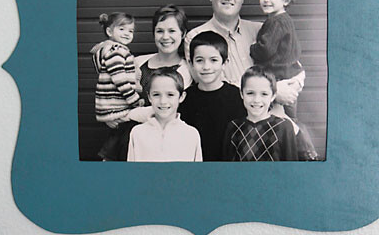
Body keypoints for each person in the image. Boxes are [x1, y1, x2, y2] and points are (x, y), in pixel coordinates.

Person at [183, 0, 303, 107]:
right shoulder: (196, 37)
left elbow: (292, 64)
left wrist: (294, 85)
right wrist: (273, 90)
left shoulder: (261, 30)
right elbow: (211, 86)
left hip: (266, 117)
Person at [179, 31, 246, 161]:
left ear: (225, 63)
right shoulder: (184, 99)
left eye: (213, 60)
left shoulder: (238, 97)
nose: (206, 67)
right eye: (199, 60)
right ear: (191, 63)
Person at [90, 12, 143, 160]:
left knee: (120, 132)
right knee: (125, 130)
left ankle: (111, 156)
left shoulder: (106, 51)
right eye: (122, 29)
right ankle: (109, 157)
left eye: (130, 31)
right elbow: (120, 80)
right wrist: (134, 100)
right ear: (109, 31)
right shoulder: (116, 52)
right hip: (118, 105)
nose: (127, 33)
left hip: (110, 104)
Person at [250, 0, 303, 120]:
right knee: (289, 118)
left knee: (280, 120)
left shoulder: (276, 22)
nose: (266, 0)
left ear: (285, 0)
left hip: (279, 78)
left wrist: (253, 48)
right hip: (288, 75)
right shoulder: (286, 21)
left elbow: (266, 49)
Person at [222, 67, 297, 161]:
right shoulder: (233, 127)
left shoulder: (283, 127)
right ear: (241, 94)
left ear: (273, 96)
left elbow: (291, 168)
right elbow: (227, 168)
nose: (256, 100)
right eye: (250, 93)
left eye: (264, 94)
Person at [127, 68, 202, 162]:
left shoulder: (191, 134)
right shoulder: (137, 133)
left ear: (181, 97)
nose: (163, 101)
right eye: (156, 94)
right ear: (149, 97)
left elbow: (196, 173)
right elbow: (132, 172)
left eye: (170, 95)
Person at [135, 4, 192, 100]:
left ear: (183, 34)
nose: (165, 37)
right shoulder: (137, 63)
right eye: (160, 31)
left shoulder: (188, 70)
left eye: (172, 31)